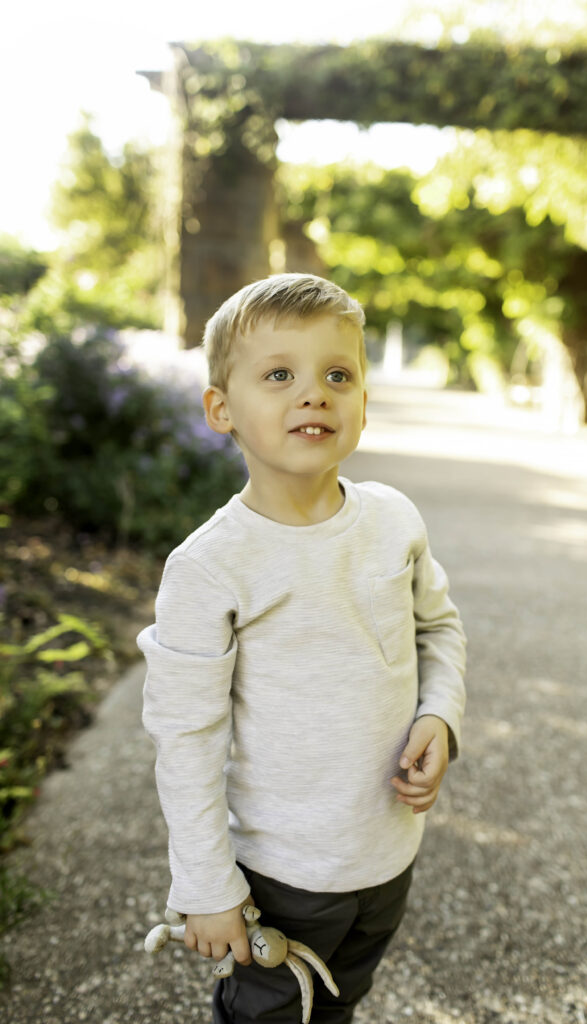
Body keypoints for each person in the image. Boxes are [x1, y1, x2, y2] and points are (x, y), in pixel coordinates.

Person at [138, 273, 467, 1023]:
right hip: (280, 872)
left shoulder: (392, 521)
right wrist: (207, 885)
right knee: (268, 1014)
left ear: (361, 403)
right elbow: (184, 736)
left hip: (386, 855)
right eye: (279, 374)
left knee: (342, 1001)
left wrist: (439, 718)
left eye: (337, 375)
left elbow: (437, 628)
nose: (313, 393)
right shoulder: (208, 567)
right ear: (222, 409)